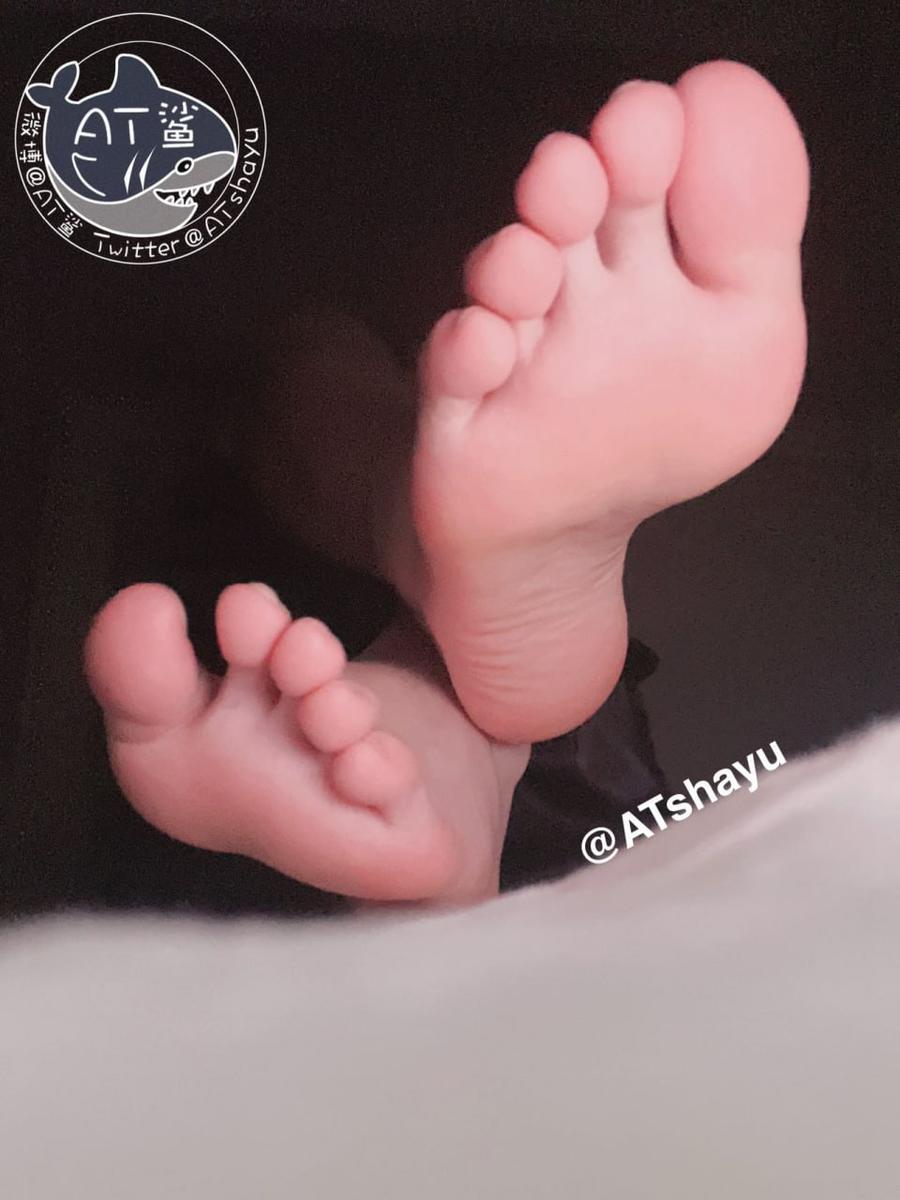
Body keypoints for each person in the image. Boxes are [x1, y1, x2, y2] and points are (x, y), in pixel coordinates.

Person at [83, 60, 809, 905]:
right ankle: (442, 769)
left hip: (564, 792)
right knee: (450, 704)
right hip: (584, 852)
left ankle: (424, 652)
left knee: (312, 371)